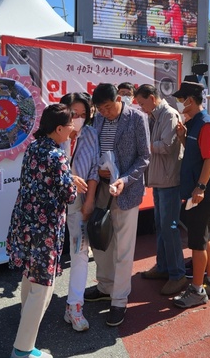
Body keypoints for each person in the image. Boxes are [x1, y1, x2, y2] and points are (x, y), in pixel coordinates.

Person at [6, 104, 86, 358]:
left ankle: (25, 329)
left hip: (25, 222)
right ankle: (23, 349)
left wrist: (67, 178)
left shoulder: (34, 147)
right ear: (59, 128)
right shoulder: (57, 155)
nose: (73, 129)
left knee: (30, 277)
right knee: (43, 287)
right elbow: (68, 194)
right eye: (71, 125)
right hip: (45, 228)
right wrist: (72, 182)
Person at [84, 83, 150, 327]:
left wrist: (124, 179)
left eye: (109, 107)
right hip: (101, 188)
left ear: (119, 99)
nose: (105, 112)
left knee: (123, 246)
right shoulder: (99, 120)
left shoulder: (137, 118)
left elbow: (144, 157)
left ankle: (119, 299)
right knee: (100, 241)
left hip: (126, 190)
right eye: (100, 109)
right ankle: (104, 286)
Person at [171, 81, 210, 308]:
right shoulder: (193, 124)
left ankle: (197, 289)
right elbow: (197, 153)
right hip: (199, 193)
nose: (180, 103)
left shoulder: (206, 125)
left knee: (197, 244)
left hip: (202, 195)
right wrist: (183, 137)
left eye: (182, 99)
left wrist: (200, 188)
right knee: (204, 238)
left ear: (190, 100)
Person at [134, 84, 186, 296]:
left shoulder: (169, 114)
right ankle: (164, 267)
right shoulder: (156, 115)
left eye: (143, 103)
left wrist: (144, 145)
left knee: (169, 227)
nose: (142, 108)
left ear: (153, 99)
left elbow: (166, 146)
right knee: (161, 225)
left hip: (169, 179)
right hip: (159, 179)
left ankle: (177, 274)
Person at [58, 93, 100, 331]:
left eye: (83, 115)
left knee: (80, 252)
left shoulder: (91, 134)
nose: (79, 119)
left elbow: (94, 168)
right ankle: (32, 304)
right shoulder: (54, 133)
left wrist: (90, 200)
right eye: (74, 114)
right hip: (52, 204)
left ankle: (74, 306)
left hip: (79, 201)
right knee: (47, 255)